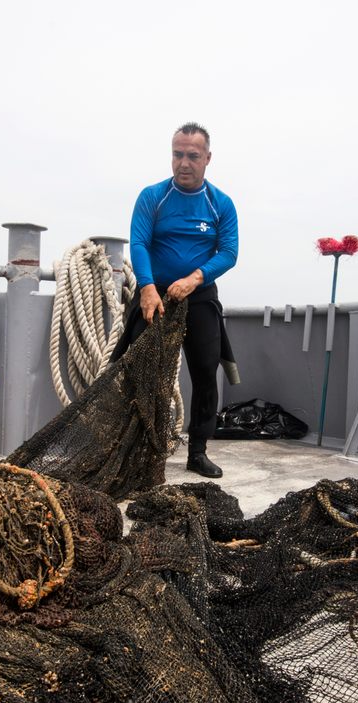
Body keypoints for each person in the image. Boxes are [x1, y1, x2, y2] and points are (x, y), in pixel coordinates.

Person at [113, 122, 240, 479]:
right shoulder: (153, 197)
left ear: (207, 159)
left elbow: (229, 252)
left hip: (199, 298)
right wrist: (148, 287)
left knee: (204, 374)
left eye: (193, 156)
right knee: (140, 372)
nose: (184, 163)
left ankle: (197, 451)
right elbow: (138, 243)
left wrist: (195, 278)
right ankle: (132, 450)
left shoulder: (220, 204)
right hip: (155, 296)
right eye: (177, 154)